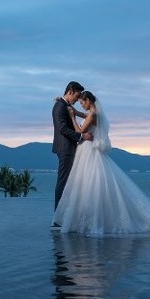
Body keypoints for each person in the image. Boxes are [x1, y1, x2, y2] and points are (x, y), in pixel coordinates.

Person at [53, 90, 150, 236]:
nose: (82, 106)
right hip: (88, 150)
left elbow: (80, 130)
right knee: (90, 183)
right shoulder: (95, 114)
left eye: (82, 103)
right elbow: (86, 116)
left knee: (89, 183)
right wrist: (73, 109)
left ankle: (86, 218)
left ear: (88, 100)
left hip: (88, 150)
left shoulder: (93, 115)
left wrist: (72, 117)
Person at [52, 81, 93, 220]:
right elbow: (63, 129)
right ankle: (58, 218)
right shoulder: (59, 107)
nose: (77, 99)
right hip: (65, 149)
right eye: (76, 95)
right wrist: (82, 136)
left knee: (69, 183)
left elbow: (70, 109)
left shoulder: (64, 105)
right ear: (70, 91)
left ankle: (65, 215)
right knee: (63, 182)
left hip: (70, 148)